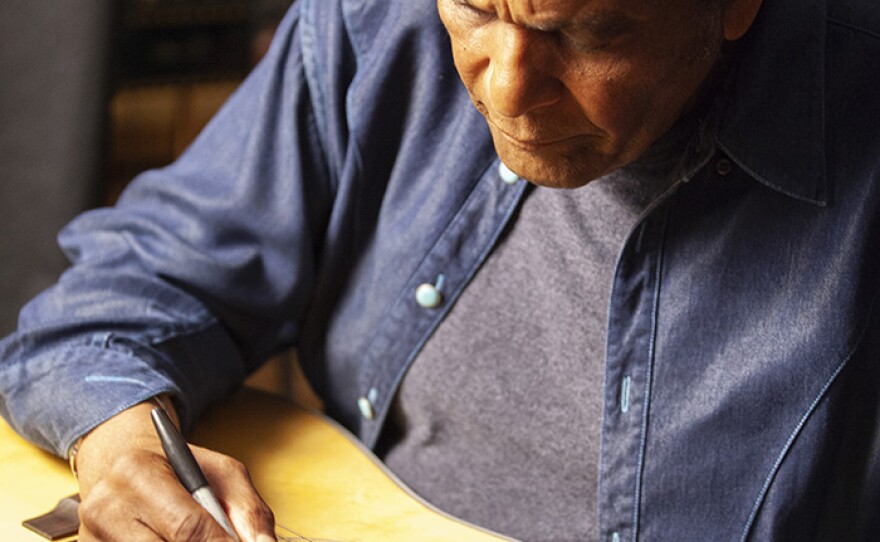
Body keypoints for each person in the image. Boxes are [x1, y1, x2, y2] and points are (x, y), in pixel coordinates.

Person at [2, 0, 879, 540]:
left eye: (583, 31)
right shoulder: (378, 19)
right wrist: (119, 441)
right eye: (473, 7)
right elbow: (121, 292)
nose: (503, 92)